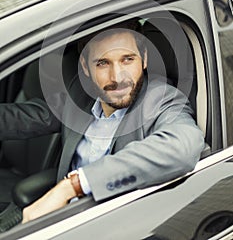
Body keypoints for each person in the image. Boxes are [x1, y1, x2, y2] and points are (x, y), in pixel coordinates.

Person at [0, 20, 205, 223]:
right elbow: (25, 117)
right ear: (85, 67)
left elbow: (183, 146)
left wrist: (73, 186)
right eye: (103, 63)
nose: (117, 77)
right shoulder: (80, 95)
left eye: (127, 59)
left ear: (144, 59)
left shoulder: (161, 100)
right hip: (60, 218)